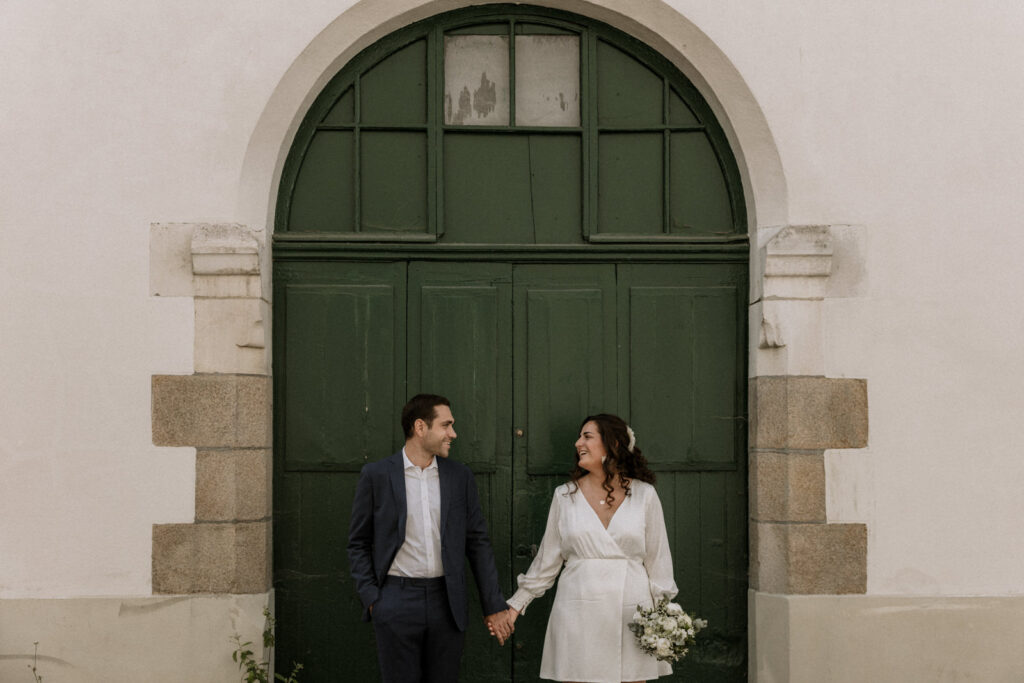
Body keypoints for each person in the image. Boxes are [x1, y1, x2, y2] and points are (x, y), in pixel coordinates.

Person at [496, 413, 678, 683]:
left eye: (587, 436)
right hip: (578, 611)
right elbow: (547, 562)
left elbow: (658, 560)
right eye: (580, 436)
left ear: (613, 444)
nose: (577, 442)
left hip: (632, 612)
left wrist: (663, 618)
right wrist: (513, 609)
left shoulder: (644, 495)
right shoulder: (565, 495)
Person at [347, 394, 515, 683]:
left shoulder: (459, 476)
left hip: (447, 602)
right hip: (395, 599)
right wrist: (373, 599)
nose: (453, 433)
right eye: (446, 425)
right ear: (420, 427)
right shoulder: (376, 475)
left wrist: (494, 605)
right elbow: (358, 542)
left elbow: (477, 542)